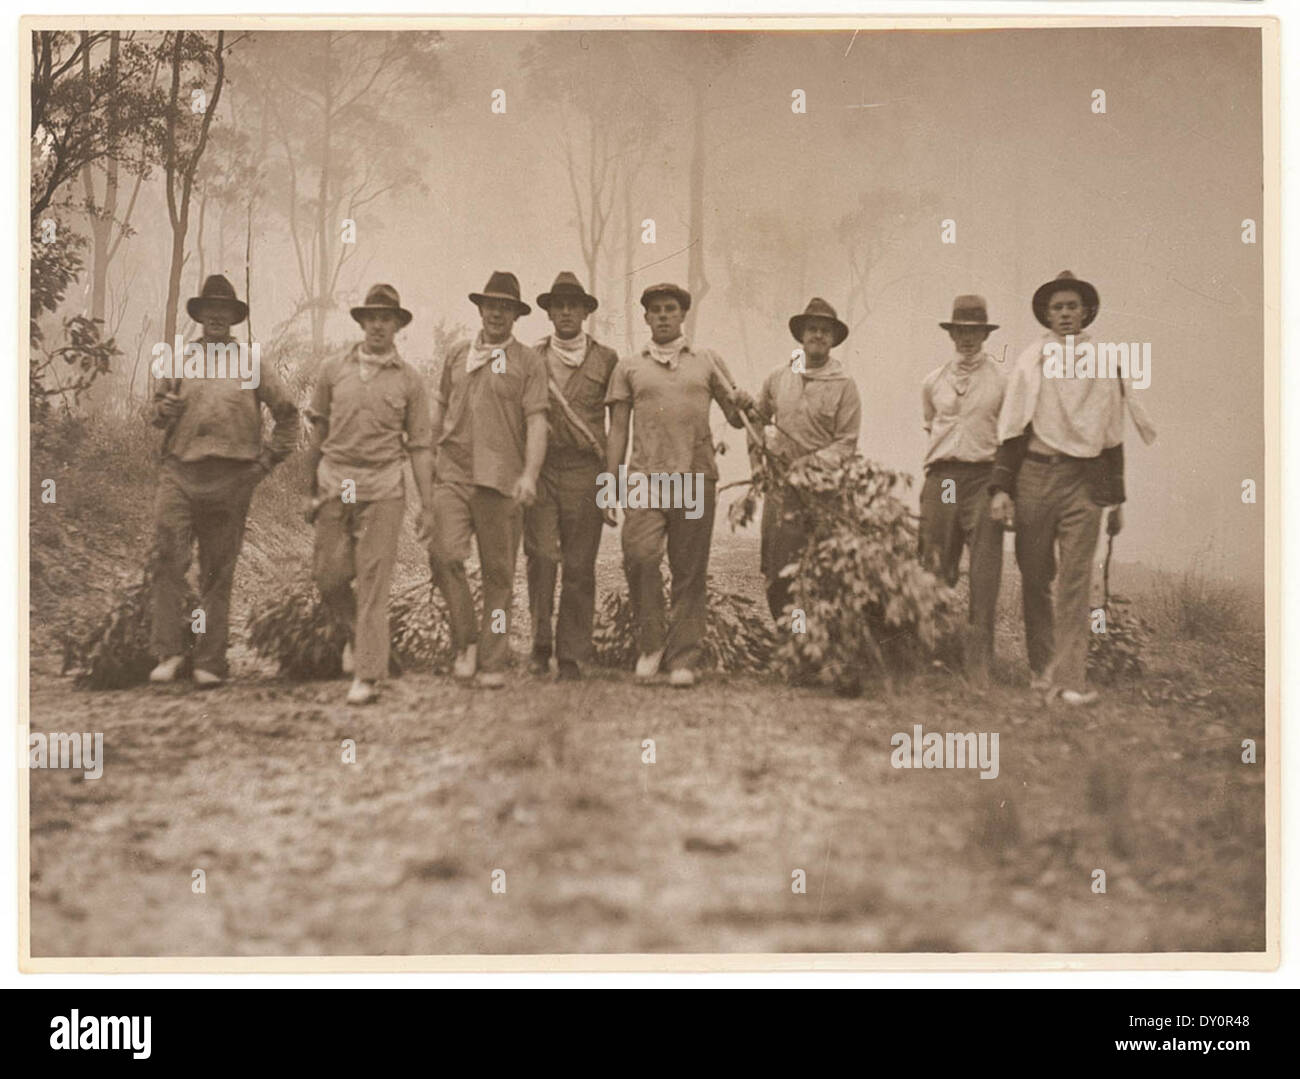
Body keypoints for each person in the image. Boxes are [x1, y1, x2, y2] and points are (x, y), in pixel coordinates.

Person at [989, 271, 1156, 705]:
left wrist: (1116, 502)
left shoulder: (1104, 362)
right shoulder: (1031, 361)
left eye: (1072, 307)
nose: (1065, 314)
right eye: (1057, 308)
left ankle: (1069, 682)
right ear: (1047, 315)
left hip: (1085, 482)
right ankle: (1041, 671)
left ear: (1085, 313)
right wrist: (1002, 488)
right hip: (1036, 475)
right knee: (1035, 574)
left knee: (1075, 581)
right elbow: (1012, 428)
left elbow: (1112, 434)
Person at [149, 274, 298, 688]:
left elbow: (288, 414)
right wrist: (164, 409)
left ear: (234, 317)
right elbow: (155, 414)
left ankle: (210, 661)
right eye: (209, 309)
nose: (216, 316)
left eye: (224, 310)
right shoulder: (179, 359)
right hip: (179, 471)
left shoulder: (251, 362)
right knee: (168, 557)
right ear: (200, 315)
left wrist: (264, 463)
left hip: (231, 479)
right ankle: (169, 652)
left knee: (217, 571)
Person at [604, 282, 752, 688]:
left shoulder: (707, 361)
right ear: (646, 317)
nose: (664, 315)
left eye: (671, 308)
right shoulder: (629, 367)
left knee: (689, 570)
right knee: (639, 556)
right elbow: (617, 431)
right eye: (656, 310)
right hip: (645, 478)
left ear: (683, 315)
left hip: (694, 476)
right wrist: (609, 488)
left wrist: (744, 400)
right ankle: (651, 645)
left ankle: (684, 657)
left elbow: (737, 418)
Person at [307, 283, 434, 706]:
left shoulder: (410, 381)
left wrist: (428, 505)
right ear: (362, 322)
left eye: (387, 318)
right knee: (328, 576)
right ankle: (358, 638)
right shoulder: (333, 370)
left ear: (397, 325)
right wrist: (309, 490)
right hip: (337, 482)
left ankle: (367, 674)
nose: (379, 325)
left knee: (373, 580)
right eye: (372, 317)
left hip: (383, 487)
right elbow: (319, 432)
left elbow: (420, 446)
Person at [428, 271, 548, 689]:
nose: (497, 313)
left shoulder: (528, 362)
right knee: (444, 555)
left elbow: (537, 421)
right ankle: (466, 641)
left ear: (516, 315)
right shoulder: (457, 354)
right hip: (453, 474)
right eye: (490, 305)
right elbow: (439, 411)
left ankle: (493, 659)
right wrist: (427, 461)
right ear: (480, 309)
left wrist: (529, 475)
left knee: (499, 576)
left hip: (502, 480)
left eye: (505, 307)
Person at [524, 272, 619, 681]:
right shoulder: (531, 358)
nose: (565, 312)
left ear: (584, 312)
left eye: (573, 306)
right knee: (542, 556)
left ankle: (571, 653)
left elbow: (618, 426)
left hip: (586, 470)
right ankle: (540, 643)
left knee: (579, 565)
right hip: (543, 468)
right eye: (558, 306)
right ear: (548, 313)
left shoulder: (607, 360)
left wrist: (611, 484)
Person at [749, 297, 861, 625]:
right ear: (801, 334)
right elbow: (756, 419)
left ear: (833, 338)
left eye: (825, 330)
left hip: (825, 492)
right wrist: (758, 464)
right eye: (812, 329)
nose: (818, 335)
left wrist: (810, 464)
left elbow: (847, 441)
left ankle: (820, 639)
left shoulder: (843, 384)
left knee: (822, 570)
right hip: (782, 490)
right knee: (779, 570)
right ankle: (792, 636)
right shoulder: (780, 377)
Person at [918, 295, 1006, 684]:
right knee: (937, 563)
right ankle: (933, 657)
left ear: (984, 335)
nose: (967, 338)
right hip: (946, 480)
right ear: (951, 333)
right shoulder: (934, 381)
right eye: (960, 331)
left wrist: (1003, 488)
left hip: (984, 479)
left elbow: (1009, 436)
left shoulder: (1001, 381)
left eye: (974, 331)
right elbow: (931, 424)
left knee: (984, 570)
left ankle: (979, 665)